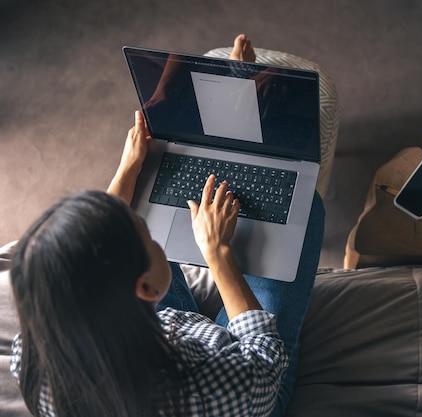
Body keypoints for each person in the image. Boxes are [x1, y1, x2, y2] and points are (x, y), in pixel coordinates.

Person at [9, 34, 324, 417]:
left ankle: (226, 93)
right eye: (149, 240)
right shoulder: (204, 387)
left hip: (156, 333)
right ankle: (244, 98)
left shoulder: (35, 349)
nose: (156, 239)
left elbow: (94, 251)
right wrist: (219, 254)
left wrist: (129, 170)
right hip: (247, 378)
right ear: (144, 288)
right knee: (305, 208)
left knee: (149, 185)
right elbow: (262, 360)